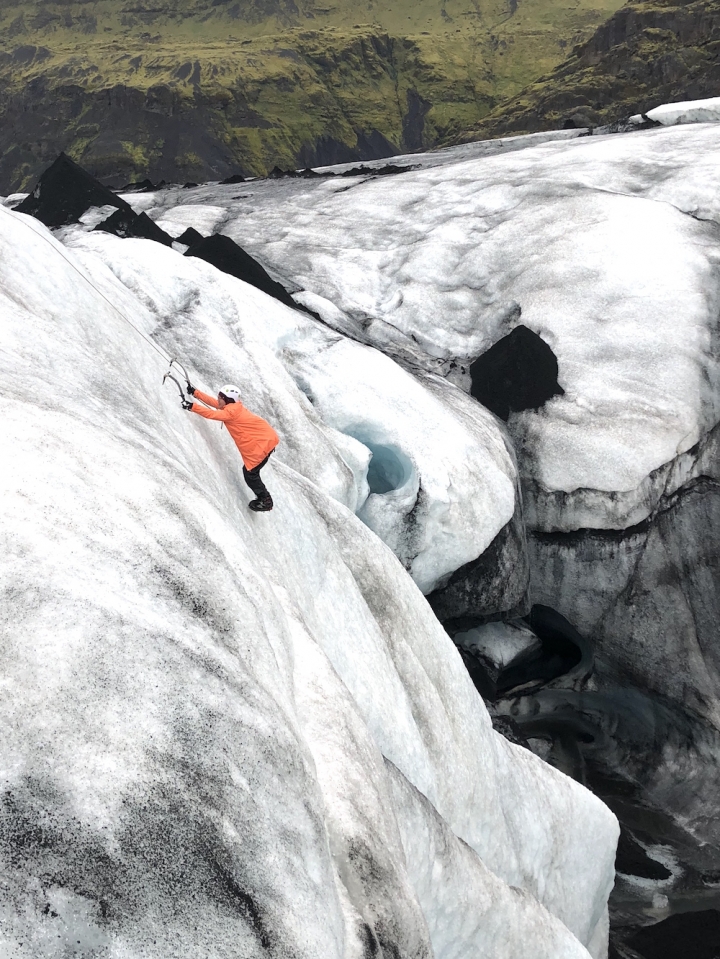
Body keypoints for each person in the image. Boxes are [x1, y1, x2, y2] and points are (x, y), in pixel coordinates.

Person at [183, 384, 279, 512]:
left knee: (250, 475)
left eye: (220, 397)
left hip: (260, 445)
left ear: (227, 400)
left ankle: (265, 500)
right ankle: (264, 498)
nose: (218, 399)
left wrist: (192, 406)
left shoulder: (230, 412)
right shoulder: (233, 406)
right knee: (250, 473)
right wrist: (196, 393)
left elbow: (212, 414)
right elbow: (216, 404)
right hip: (266, 439)